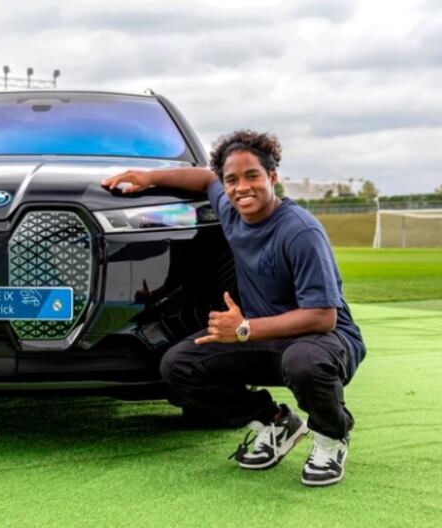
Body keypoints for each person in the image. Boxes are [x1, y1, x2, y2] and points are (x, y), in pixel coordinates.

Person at [101, 130, 365, 487]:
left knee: (304, 364)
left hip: (323, 340)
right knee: (178, 366)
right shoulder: (231, 207)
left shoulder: (301, 232)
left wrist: (244, 330)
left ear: (272, 177)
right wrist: (149, 177)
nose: (242, 187)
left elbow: (323, 316)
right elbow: (204, 178)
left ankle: (332, 436)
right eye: (233, 179)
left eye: (252, 176)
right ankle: (274, 421)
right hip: (262, 337)